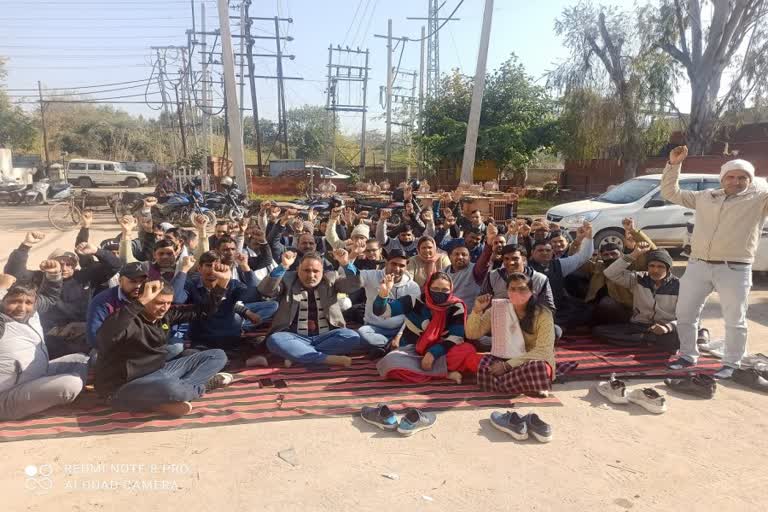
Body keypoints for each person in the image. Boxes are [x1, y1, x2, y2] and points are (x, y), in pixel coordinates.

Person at [661, 146, 766, 378]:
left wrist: (760, 183)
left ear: (750, 180)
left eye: (742, 178)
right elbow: (671, 192)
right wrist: (674, 164)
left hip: (735, 268)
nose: (736, 181)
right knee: (685, 313)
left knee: (735, 320)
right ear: (722, 178)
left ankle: (732, 363)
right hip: (698, 265)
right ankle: (687, 355)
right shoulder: (706, 197)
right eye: (731, 176)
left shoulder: (759, 200)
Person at [95, 278, 233, 417]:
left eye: (168, 303)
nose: (164, 308)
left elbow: (202, 310)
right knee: (171, 387)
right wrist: (139, 302)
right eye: (159, 303)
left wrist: (221, 285)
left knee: (217, 355)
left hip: (160, 372)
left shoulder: (165, 316)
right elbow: (106, 336)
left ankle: (170, 397)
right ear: (143, 299)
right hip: (124, 387)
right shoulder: (128, 319)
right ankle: (199, 387)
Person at [0, 261, 91, 421]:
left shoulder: (31, 312)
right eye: (14, 301)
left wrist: (54, 274)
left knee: (81, 359)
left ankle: (42, 394)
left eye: (28, 302)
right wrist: (1, 289)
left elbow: (49, 296)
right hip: (6, 396)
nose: (21, 308)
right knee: (71, 384)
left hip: (37, 376)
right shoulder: (2, 322)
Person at [258, 250, 364, 367]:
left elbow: (355, 284)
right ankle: (325, 358)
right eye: (306, 270)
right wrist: (284, 266)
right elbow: (266, 290)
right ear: (298, 269)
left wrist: (345, 263)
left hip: (326, 337)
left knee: (352, 336)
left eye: (316, 271)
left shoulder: (331, 279)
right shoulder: (287, 279)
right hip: (293, 336)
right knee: (274, 340)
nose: (311, 275)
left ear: (322, 271)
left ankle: (297, 355)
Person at [374, 272, 478, 384]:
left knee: (467, 350)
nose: (440, 293)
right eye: (435, 288)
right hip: (413, 350)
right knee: (389, 362)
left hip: (442, 350)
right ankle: (444, 373)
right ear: (428, 287)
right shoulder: (414, 301)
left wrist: (432, 353)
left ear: (451, 289)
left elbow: (456, 336)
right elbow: (381, 312)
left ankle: (424, 372)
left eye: (444, 290)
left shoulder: (456, 306)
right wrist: (382, 295)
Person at [465, 273, 556, 396]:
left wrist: (507, 366)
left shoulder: (543, 314)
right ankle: (524, 384)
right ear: (507, 291)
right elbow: (472, 334)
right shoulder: (498, 308)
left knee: (541, 369)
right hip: (504, 356)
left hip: (529, 361)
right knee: (472, 360)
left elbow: (543, 351)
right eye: (512, 289)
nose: (517, 292)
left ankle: (499, 382)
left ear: (532, 292)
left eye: (522, 289)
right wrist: (477, 310)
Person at [593, 244, 680, 352]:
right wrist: (634, 254)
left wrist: (668, 327)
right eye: (652, 266)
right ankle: (647, 339)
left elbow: (689, 317)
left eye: (660, 267)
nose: (655, 270)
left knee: (679, 338)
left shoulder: (679, 286)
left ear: (668, 268)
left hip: (664, 327)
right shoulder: (639, 278)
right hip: (639, 325)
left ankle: (641, 340)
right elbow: (610, 273)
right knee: (599, 331)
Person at [528, 222, 594, 329]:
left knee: (586, 310)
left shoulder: (559, 264)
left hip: (557, 308)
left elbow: (583, 256)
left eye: (548, 250)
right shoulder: (525, 267)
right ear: (532, 253)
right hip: (533, 310)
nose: (544, 253)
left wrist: (588, 236)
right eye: (540, 250)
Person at [355, 249, 421, 354]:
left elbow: (411, 316)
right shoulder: (372, 276)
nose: (396, 269)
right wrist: (347, 261)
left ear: (407, 266)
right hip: (374, 328)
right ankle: (388, 345)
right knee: (362, 334)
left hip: (400, 329)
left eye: (401, 266)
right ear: (386, 262)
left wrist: (399, 336)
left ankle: (383, 347)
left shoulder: (412, 287)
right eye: (393, 264)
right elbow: (353, 277)